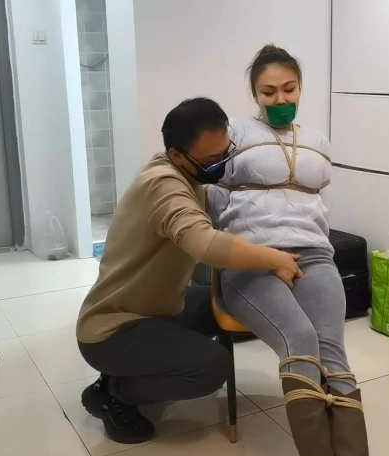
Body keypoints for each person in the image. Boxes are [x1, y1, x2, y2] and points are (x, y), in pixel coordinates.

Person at [76, 97, 303, 444]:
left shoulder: (184, 172)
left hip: (159, 308)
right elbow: (204, 244)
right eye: (211, 160)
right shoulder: (162, 184)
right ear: (178, 155)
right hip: (113, 328)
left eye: (225, 153)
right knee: (210, 368)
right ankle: (113, 392)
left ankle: (139, 368)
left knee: (230, 302)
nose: (220, 165)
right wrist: (273, 258)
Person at [208, 44, 370, 456]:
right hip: (250, 258)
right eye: (268, 92)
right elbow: (211, 198)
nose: (280, 99)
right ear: (254, 94)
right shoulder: (234, 135)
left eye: (289, 89)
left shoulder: (316, 140)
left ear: (300, 89)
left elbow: (318, 205)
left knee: (333, 352)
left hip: (313, 254)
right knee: (300, 339)